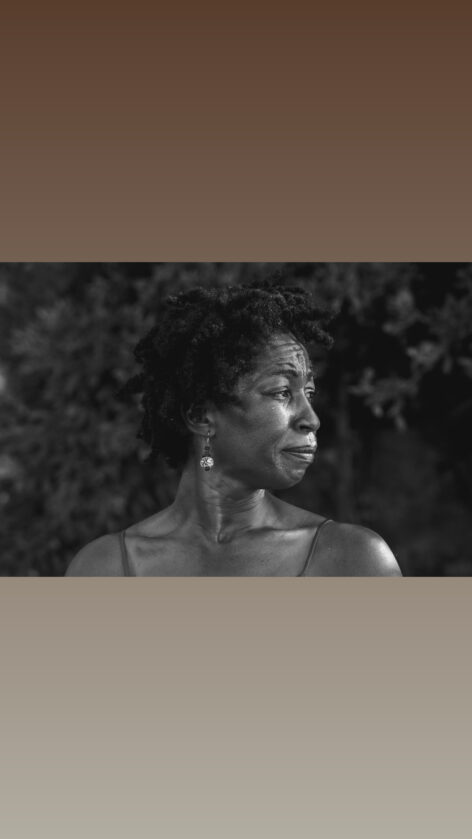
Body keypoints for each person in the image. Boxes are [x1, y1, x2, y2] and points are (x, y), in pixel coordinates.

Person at [66, 281, 402, 577]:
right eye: (283, 392)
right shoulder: (104, 569)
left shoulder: (352, 562)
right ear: (201, 416)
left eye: (308, 393)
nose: (311, 419)